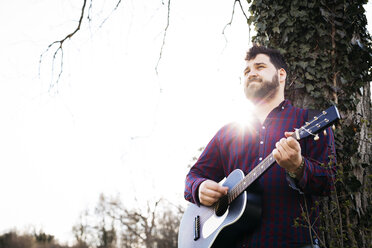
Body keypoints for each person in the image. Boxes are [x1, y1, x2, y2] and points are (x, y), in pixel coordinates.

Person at [184, 45, 336, 247]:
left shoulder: (309, 121)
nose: (251, 73)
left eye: (260, 66)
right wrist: (199, 187)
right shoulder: (228, 133)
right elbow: (193, 177)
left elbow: (329, 182)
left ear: (281, 75)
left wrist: (298, 167)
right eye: (246, 71)